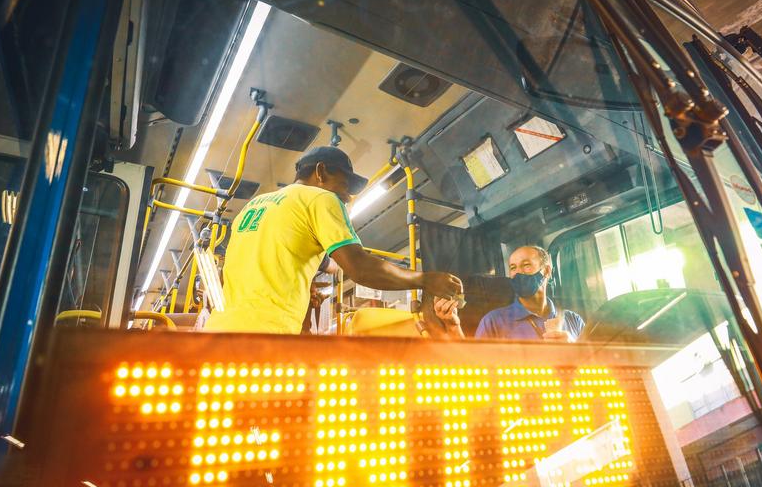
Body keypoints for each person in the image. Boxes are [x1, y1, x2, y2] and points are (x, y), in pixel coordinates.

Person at [205, 146, 463, 334]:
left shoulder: (252, 207)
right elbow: (360, 268)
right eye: (344, 184)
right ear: (321, 172)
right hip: (266, 336)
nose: (347, 196)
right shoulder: (320, 198)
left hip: (218, 332)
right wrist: (425, 279)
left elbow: (235, 277)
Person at [433, 245, 584, 341]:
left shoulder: (572, 319)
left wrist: (573, 347)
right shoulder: (493, 321)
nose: (518, 273)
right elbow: (475, 366)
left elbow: (596, 363)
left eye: (526, 265)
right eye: (513, 268)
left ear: (547, 271)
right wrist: (452, 326)